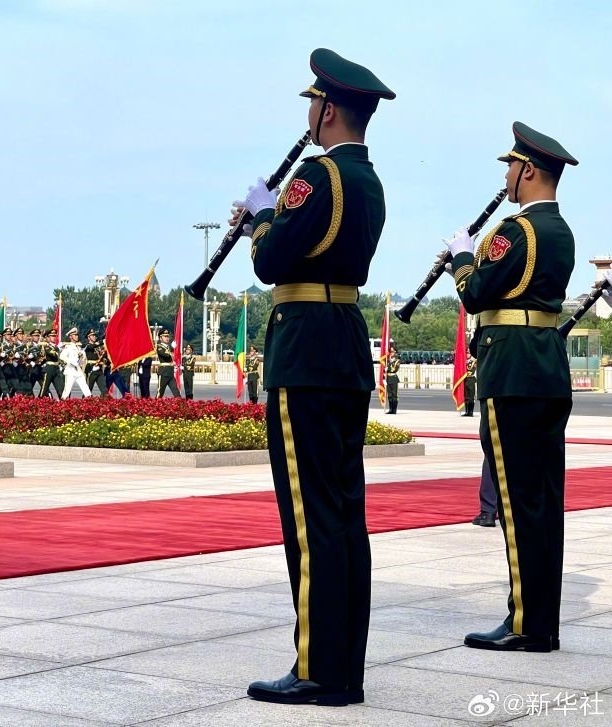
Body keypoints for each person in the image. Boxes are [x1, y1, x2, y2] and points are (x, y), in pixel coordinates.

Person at [234, 48, 394, 706]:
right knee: (343, 513)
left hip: (304, 346)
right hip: (344, 342)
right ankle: (343, 667)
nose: (309, 114)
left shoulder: (317, 175)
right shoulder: (369, 180)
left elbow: (271, 261)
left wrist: (261, 216)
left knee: (309, 516)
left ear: (328, 110)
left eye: (313, 103)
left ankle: (318, 667)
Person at [447, 121, 577, 653]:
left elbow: (475, 293)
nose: (506, 177)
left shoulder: (516, 230)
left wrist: (462, 256)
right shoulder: (560, 230)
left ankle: (525, 623)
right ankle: (542, 619)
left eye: (510, 167)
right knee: (543, 500)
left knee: (518, 500)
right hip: (545, 367)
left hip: (512, 370)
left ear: (528, 170)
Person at [60, 327, 91, 398]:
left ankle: (90, 399)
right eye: (75, 335)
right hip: (70, 370)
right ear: (71, 337)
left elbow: (82, 359)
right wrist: (71, 362)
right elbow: (62, 356)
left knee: (85, 387)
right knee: (67, 390)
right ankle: (63, 402)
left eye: (77, 335)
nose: (77, 336)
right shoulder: (68, 347)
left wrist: (82, 356)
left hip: (78, 370)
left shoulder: (78, 347)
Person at [155, 329, 181, 397]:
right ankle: (154, 404)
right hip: (163, 372)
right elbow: (165, 355)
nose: (167, 338)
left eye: (167, 336)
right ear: (160, 338)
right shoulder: (159, 347)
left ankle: (180, 403)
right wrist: (172, 348)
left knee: (176, 392)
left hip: (170, 373)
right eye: (165, 336)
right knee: (160, 392)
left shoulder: (168, 347)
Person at [385, 347, 400, 414]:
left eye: (392, 352)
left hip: (393, 379)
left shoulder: (397, 361)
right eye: (390, 352)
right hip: (388, 378)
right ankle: (390, 409)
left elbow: (394, 369)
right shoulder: (388, 360)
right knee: (389, 395)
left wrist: (387, 369)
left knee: (394, 395)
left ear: (395, 353)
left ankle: (394, 410)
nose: (391, 353)